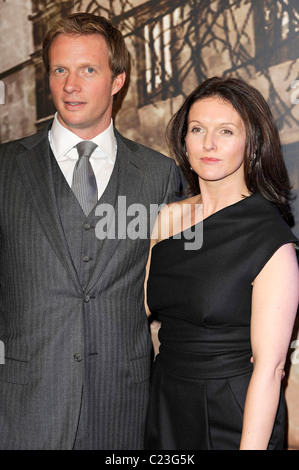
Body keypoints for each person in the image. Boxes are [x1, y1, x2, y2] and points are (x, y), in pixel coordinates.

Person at [0, 12, 180, 450]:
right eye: (60, 69)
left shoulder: (160, 175)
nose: (70, 85)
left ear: (117, 80)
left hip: (124, 407)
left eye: (88, 69)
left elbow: (177, 287)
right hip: (25, 407)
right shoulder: (5, 167)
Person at [144, 77, 299, 450]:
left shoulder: (269, 238)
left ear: (251, 143)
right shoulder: (167, 218)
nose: (208, 144)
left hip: (234, 413)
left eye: (226, 131)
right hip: (165, 400)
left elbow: (270, 368)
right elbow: (145, 311)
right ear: (184, 139)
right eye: (197, 129)